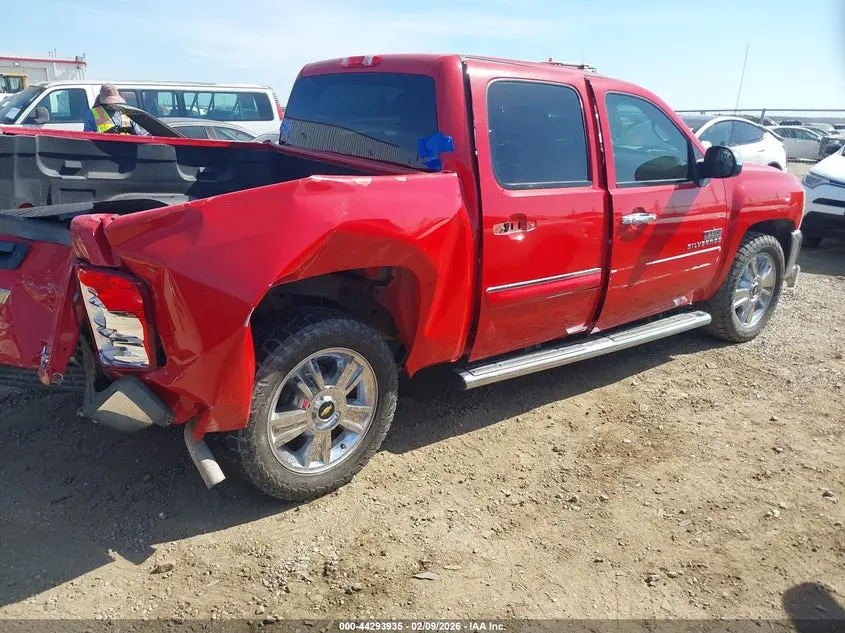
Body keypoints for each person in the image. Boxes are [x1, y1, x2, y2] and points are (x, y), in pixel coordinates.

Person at [83, 84, 147, 135]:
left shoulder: (127, 112)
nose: (113, 103)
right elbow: (87, 136)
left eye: (115, 101)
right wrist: (106, 134)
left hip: (127, 148)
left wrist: (133, 132)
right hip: (104, 149)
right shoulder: (92, 113)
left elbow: (139, 134)